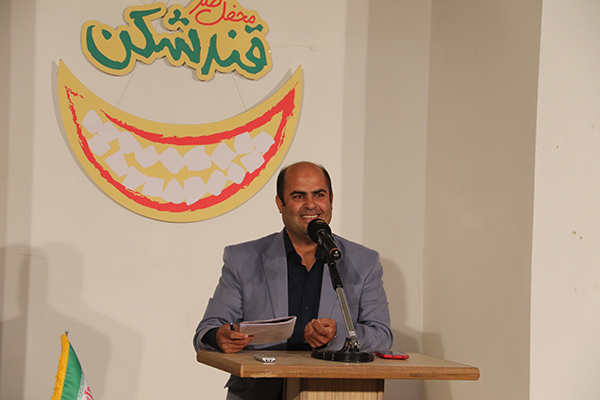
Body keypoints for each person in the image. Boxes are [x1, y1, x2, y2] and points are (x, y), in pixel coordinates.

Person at [193, 161, 393, 400]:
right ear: (280, 203)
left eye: (319, 195)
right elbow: (207, 330)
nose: (311, 204)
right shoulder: (242, 259)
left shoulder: (363, 261)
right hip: (259, 393)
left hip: (334, 392)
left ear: (331, 200)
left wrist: (337, 336)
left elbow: (382, 336)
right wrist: (219, 337)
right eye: (299, 196)